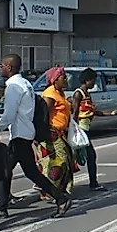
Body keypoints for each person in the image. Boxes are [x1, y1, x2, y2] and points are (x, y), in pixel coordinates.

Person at [0, 54, 71, 214]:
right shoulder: (25, 83)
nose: (0, 68)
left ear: (10, 67)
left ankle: (2, 205)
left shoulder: (13, 86)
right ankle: (59, 198)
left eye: (2, 65)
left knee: (7, 170)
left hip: (20, 136)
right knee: (24, 171)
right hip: (25, 133)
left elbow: (9, 114)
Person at [69, 67, 117, 192]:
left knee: (85, 157)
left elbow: (93, 111)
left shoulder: (87, 94)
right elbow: (75, 114)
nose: (94, 83)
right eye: (93, 81)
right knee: (87, 156)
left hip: (86, 130)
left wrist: (110, 114)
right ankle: (92, 183)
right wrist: (74, 131)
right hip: (81, 130)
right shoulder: (78, 94)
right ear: (86, 81)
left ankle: (92, 183)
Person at [39, 66, 77, 194]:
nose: (66, 79)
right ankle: (48, 190)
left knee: (66, 161)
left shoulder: (60, 92)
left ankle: (59, 189)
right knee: (58, 162)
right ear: (55, 79)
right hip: (52, 133)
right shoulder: (50, 94)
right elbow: (44, 114)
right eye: (63, 77)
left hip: (62, 132)